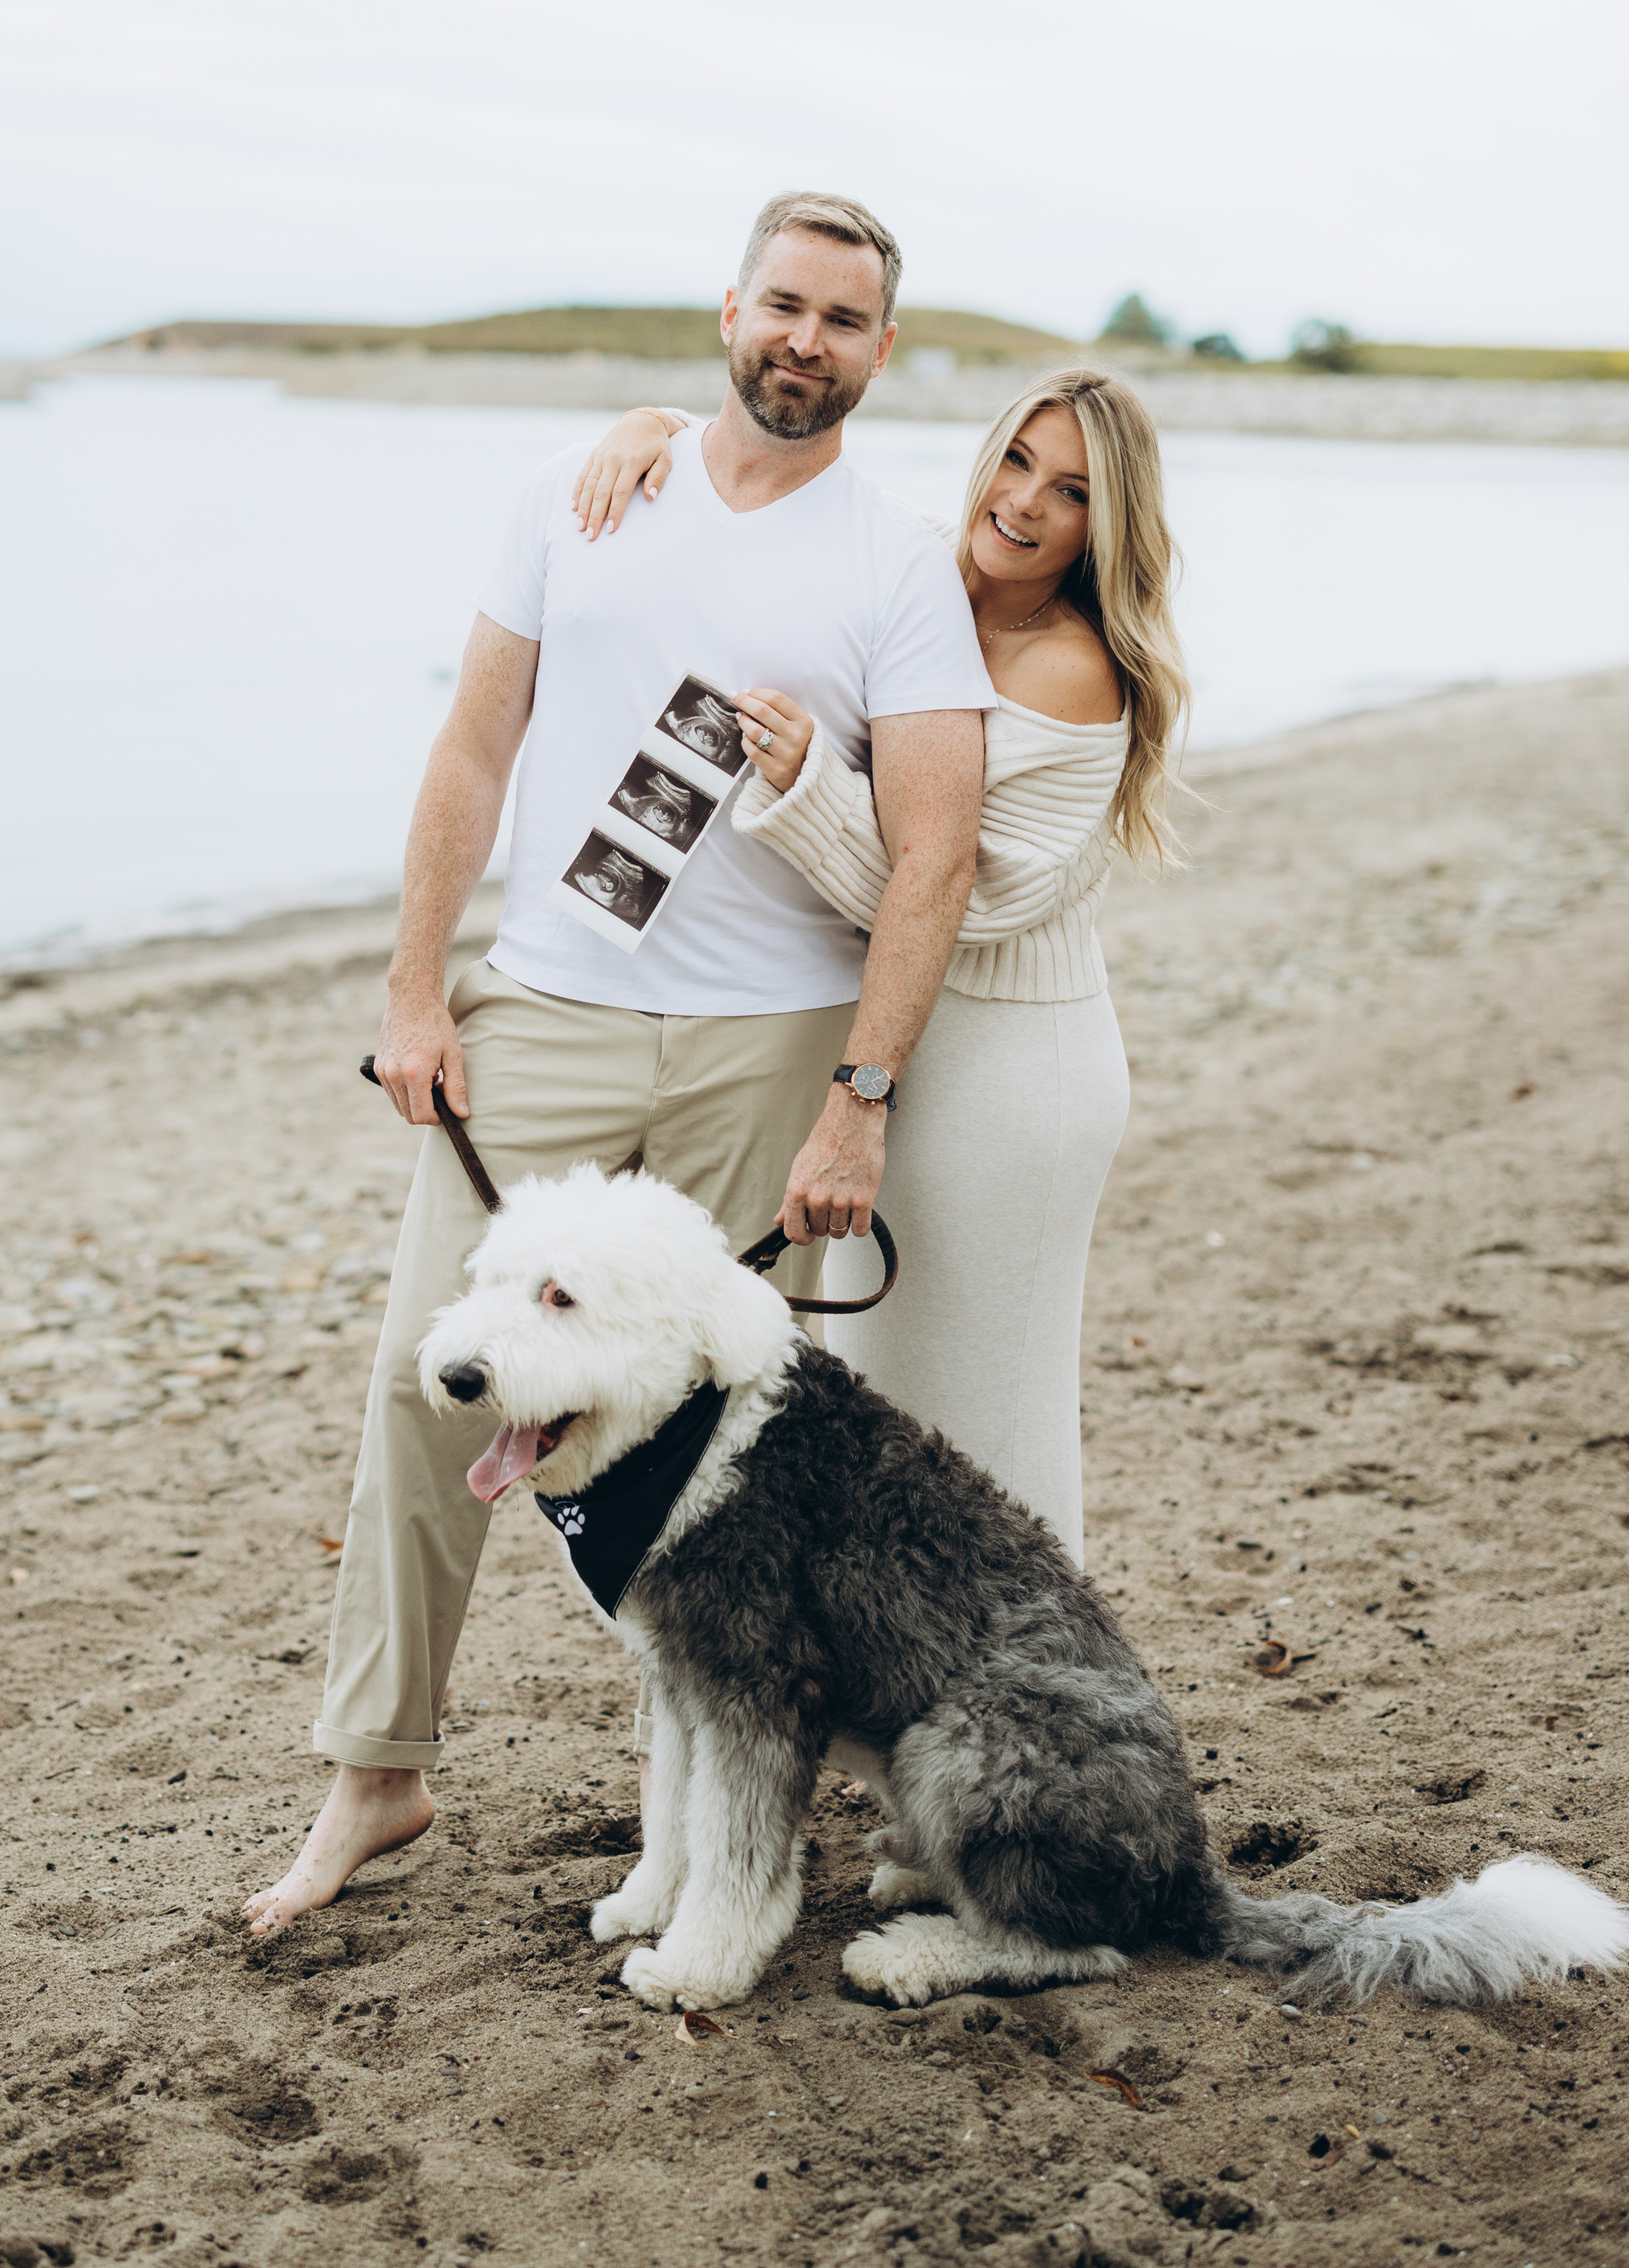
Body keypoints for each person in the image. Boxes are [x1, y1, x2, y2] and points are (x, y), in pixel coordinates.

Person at [242, 192, 995, 1937]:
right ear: (729, 309)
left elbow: (936, 854)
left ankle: (704, 1820)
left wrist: (859, 1101)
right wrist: (415, 989)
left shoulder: (897, 564)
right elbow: (473, 746)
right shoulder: (582, 495)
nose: (805, 340)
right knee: (426, 1385)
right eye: (783, 304)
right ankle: (377, 1771)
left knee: (719, 1452)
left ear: (883, 351)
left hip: (769, 1043)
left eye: (844, 319)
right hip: (546, 1010)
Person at [567, 366, 1188, 1563]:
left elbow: (962, 894)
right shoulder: (917, 568)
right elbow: (781, 479)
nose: (1025, 503)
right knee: (886, 1412)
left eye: (1070, 492)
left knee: (987, 1421)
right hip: (900, 1042)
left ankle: (1034, 1661)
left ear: (1106, 525)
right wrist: (659, 430)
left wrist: (806, 787)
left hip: (1011, 1068)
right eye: (1018, 461)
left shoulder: (1068, 666)